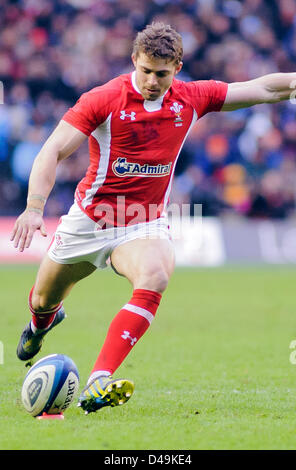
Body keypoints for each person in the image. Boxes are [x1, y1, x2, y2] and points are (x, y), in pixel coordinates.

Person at [11, 22, 296, 414]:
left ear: (177, 67)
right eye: (145, 70)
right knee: (43, 300)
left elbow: (263, 88)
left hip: (143, 222)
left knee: (156, 275)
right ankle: (40, 326)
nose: (151, 81)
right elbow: (52, 150)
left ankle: (99, 380)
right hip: (89, 221)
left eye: (161, 74)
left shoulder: (192, 98)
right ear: (134, 61)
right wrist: (34, 207)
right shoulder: (105, 98)